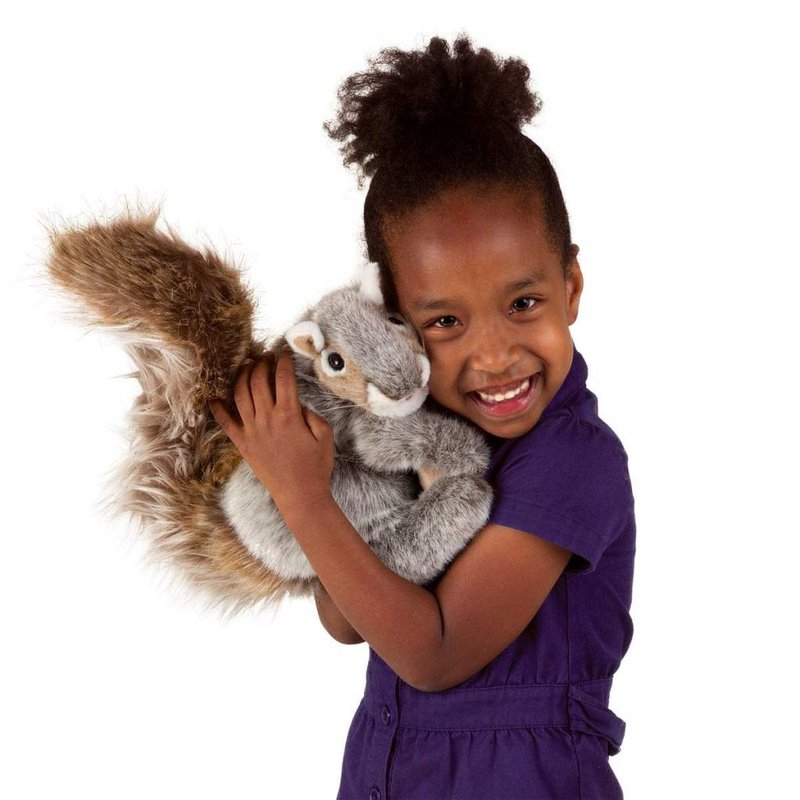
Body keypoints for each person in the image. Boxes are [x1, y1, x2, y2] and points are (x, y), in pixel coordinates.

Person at [210, 34, 636, 800]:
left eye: (524, 303)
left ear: (571, 287)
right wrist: (320, 469)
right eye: (444, 322)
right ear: (395, 323)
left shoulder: (574, 460)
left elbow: (432, 654)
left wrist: (303, 497)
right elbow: (348, 622)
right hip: (387, 771)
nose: (494, 355)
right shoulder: (415, 436)